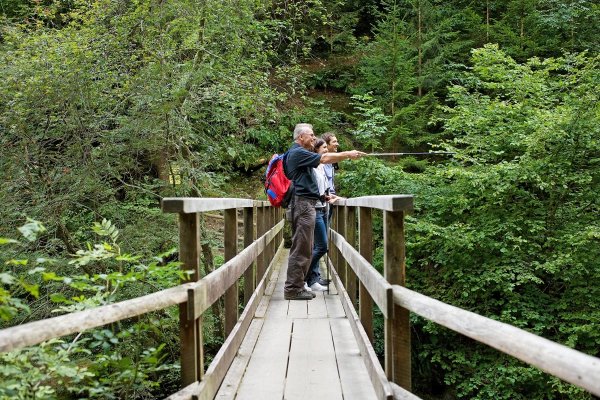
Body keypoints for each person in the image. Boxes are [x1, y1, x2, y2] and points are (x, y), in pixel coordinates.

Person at [283, 123, 365, 301]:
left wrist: (321, 197)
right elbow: (324, 159)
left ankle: (296, 286)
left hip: (306, 203)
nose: (314, 138)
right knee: (302, 247)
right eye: (311, 135)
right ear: (300, 137)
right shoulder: (297, 152)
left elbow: (303, 180)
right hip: (303, 205)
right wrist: (348, 155)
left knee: (305, 246)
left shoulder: (297, 153)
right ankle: (293, 288)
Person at [305, 139, 338, 292]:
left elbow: (321, 190)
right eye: (324, 147)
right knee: (322, 246)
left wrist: (327, 197)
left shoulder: (322, 167)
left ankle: (311, 280)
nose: (327, 149)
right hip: (315, 209)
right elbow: (312, 189)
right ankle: (303, 278)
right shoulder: (312, 167)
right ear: (316, 150)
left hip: (322, 207)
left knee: (319, 245)